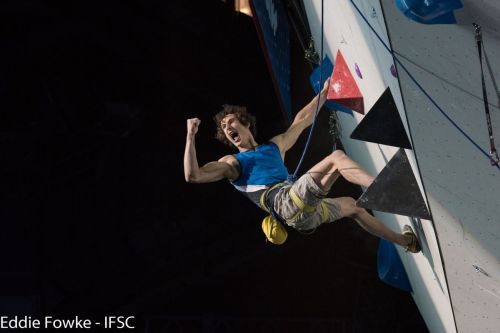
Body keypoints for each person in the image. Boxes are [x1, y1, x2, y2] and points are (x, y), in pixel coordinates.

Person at [183, 80, 420, 252]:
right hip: (285, 202)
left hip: (303, 215)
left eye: (230, 122)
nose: (227, 128)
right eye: (224, 128)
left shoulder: (274, 146)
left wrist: (325, 92)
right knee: (336, 157)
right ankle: (389, 188)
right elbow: (193, 176)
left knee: (354, 206)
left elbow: (302, 121)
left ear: (244, 122)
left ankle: (406, 242)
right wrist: (190, 136)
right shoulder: (232, 163)